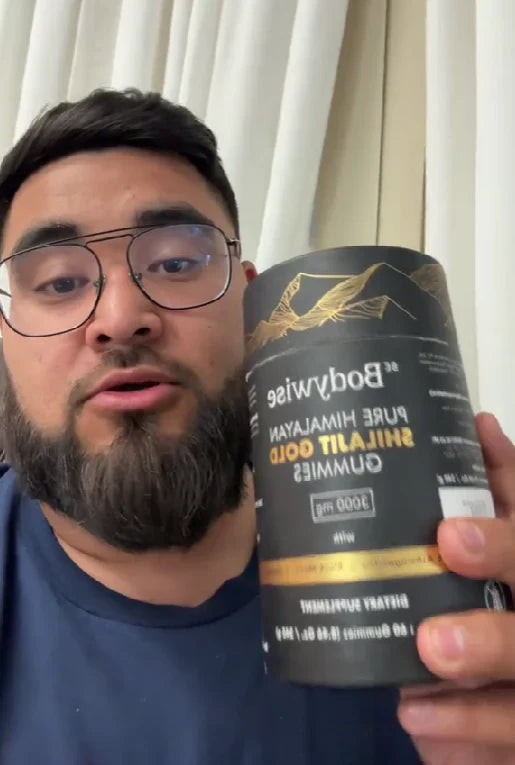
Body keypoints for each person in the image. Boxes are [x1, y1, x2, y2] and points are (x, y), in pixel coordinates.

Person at [0, 89, 513, 765]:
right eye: (60, 282)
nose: (120, 318)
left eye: (176, 264)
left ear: (254, 300)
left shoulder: (442, 587)